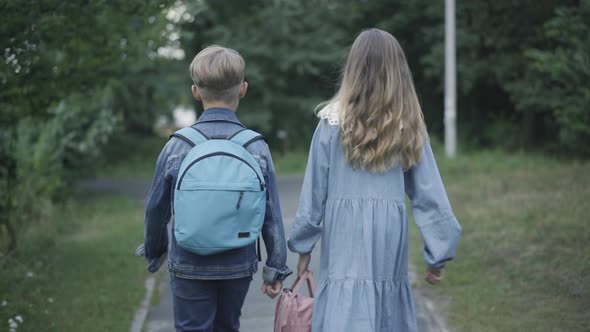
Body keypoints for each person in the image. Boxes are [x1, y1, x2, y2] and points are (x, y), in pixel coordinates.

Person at [288, 29, 462, 331]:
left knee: (346, 299)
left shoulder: (331, 122)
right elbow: (429, 193)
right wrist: (439, 252)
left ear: (353, 69)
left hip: (345, 232)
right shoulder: (407, 125)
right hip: (387, 231)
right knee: (384, 306)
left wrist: (303, 246)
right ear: (398, 72)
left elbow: (313, 193)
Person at [143, 45, 292, 332]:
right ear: (243, 89)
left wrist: (155, 250)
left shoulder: (178, 144)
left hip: (189, 261)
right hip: (238, 260)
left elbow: (156, 208)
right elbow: (270, 213)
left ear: (195, 91)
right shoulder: (255, 146)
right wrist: (274, 267)